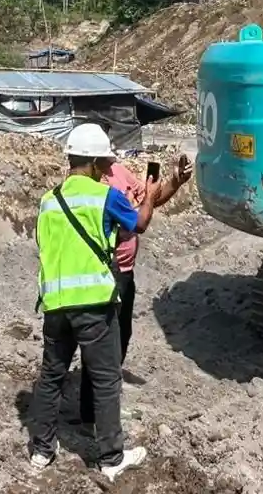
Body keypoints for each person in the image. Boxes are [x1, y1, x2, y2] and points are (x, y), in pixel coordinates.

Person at [26, 123, 158, 481]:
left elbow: (46, 246)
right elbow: (139, 224)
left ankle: (41, 449)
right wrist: (149, 194)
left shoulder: (49, 199)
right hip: (94, 305)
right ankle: (111, 458)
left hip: (55, 303)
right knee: (105, 380)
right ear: (99, 160)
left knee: (51, 376)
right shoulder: (105, 195)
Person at [76, 151, 193, 424]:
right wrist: (148, 198)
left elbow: (148, 201)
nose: (111, 155)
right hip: (106, 272)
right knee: (101, 344)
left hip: (125, 273)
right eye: (105, 151)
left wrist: (174, 182)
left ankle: (104, 403)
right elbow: (139, 221)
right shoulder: (92, 185)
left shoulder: (118, 171)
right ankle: (92, 414)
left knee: (120, 338)